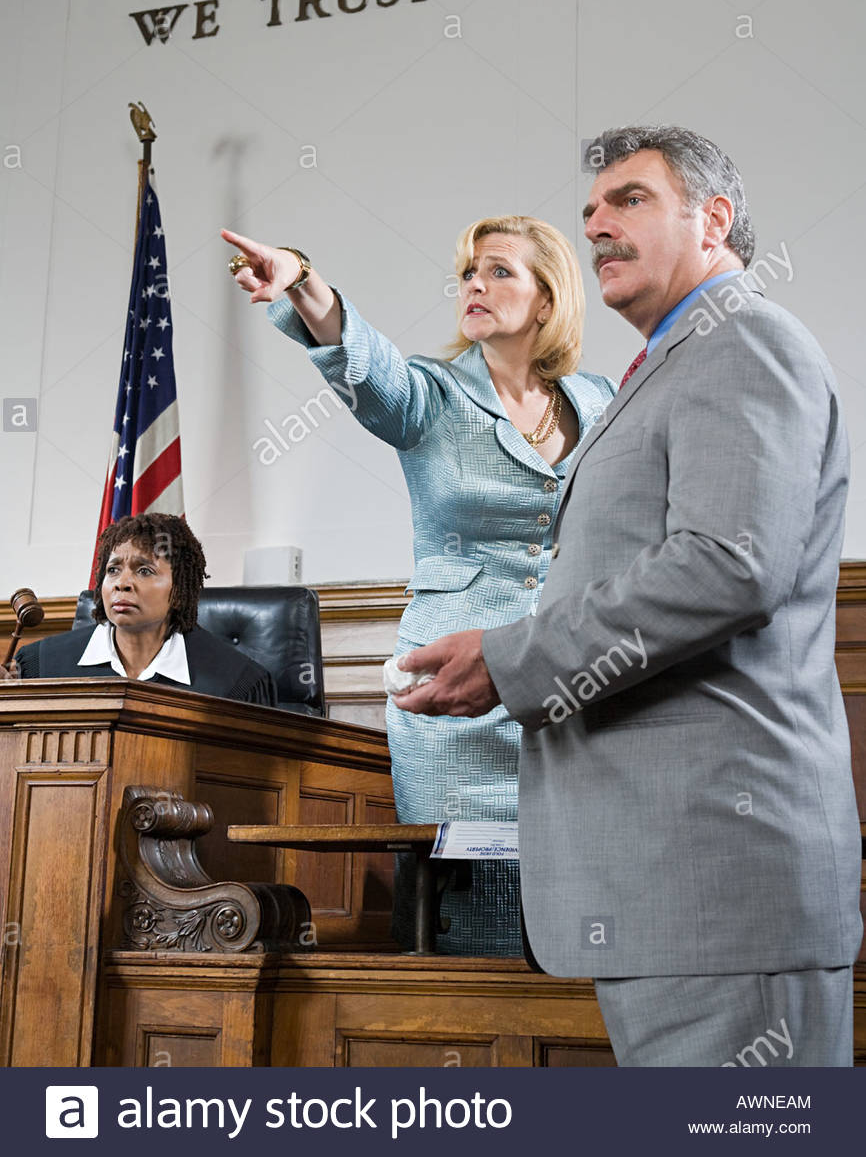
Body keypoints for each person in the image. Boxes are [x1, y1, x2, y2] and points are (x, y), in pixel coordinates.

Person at [393, 125, 863, 1063]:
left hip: (719, 886)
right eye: (591, 211)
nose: (599, 223)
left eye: (631, 201)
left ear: (714, 219)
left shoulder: (744, 341)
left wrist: (510, 656)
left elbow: (729, 564)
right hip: (667, 888)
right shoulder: (668, 365)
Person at [222, 216, 615, 954]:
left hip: (565, 685)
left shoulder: (596, 402)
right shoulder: (431, 396)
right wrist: (303, 281)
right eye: (469, 271)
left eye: (500, 271)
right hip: (453, 701)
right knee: (466, 916)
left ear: (547, 300)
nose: (475, 283)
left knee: (572, 912)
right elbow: (365, 367)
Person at [5, 513, 277, 706]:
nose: (122, 584)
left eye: (144, 570)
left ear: (179, 589)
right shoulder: (41, 666)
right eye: (113, 570)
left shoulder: (236, 683)